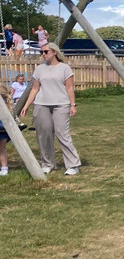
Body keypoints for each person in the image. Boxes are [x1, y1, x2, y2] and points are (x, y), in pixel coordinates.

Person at [19, 42, 81, 175]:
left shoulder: (64, 68)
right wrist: (26, 105)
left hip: (61, 104)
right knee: (44, 135)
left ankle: (73, 165)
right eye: (41, 52)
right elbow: (35, 88)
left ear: (54, 52)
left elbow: (69, 87)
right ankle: (47, 163)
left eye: (46, 52)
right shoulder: (39, 69)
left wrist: (72, 105)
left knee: (62, 133)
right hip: (42, 104)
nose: (43, 54)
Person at [0, 82, 11, 175]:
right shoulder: (6, 103)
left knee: (1, 149)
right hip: (4, 129)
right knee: (2, 149)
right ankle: (4, 168)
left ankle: (4, 168)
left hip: (1, 129)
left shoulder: (2, 104)